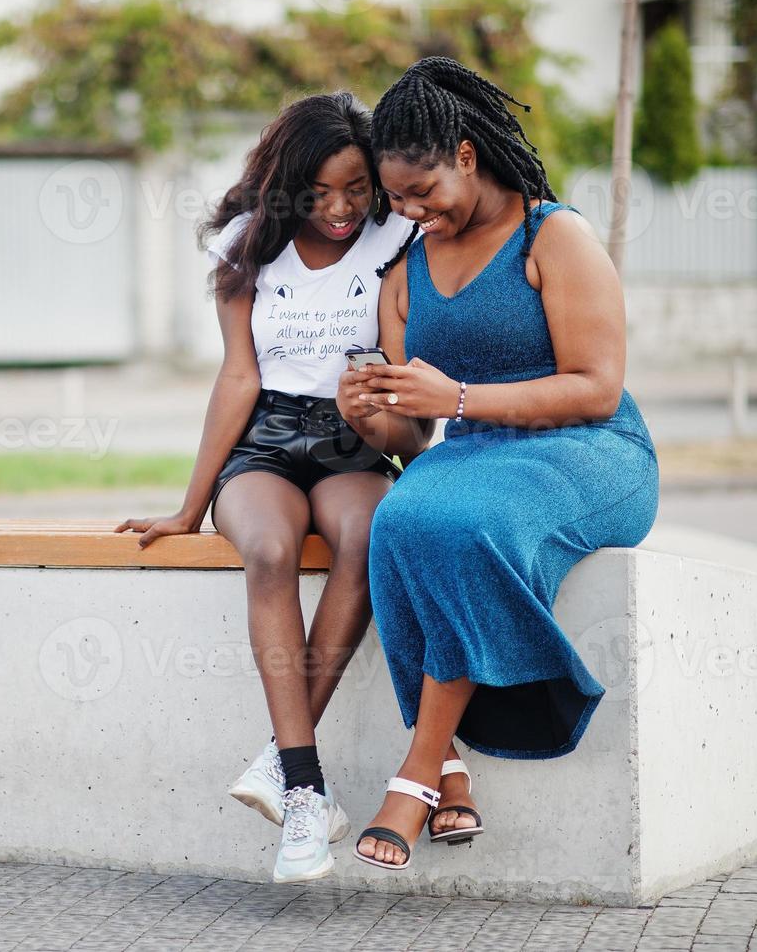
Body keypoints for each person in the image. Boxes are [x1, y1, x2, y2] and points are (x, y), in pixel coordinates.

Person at [333, 57, 660, 872]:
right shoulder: (404, 270)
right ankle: (449, 770)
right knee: (399, 519)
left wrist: (458, 398)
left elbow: (595, 387)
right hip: (472, 454)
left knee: (466, 523)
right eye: (395, 199)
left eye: (422, 193)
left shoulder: (554, 236)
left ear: (468, 156)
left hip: (591, 453)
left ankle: (420, 765)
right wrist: (370, 418)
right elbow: (412, 436)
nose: (410, 213)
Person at [115, 92, 416, 883]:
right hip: (267, 442)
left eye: (357, 188)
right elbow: (238, 376)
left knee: (366, 536)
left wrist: (381, 420)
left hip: (355, 438)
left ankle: (282, 767)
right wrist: (189, 504)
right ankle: (307, 788)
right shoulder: (250, 247)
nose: (341, 208)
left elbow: (397, 385)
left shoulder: (396, 238)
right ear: (287, 187)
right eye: (319, 193)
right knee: (271, 549)